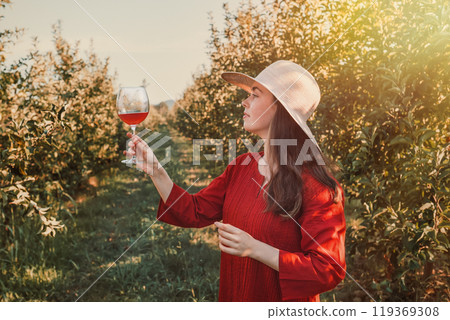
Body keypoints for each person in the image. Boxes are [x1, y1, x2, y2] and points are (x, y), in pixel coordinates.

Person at [123, 60, 346, 302]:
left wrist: (256, 249)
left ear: (280, 109)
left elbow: (328, 269)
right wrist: (157, 171)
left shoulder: (317, 187)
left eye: (255, 95)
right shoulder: (241, 167)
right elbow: (195, 212)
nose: (244, 102)